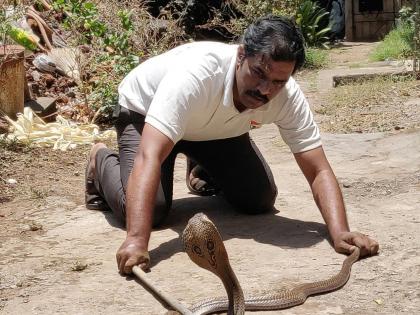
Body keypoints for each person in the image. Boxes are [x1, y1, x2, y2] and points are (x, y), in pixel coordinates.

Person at [85, 15, 379, 275]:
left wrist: (339, 231)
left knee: (258, 199)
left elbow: (318, 169)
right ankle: (101, 162)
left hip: (214, 127)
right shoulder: (197, 75)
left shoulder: (287, 94)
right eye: (259, 73)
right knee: (153, 211)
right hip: (144, 114)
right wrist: (137, 239)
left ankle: (201, 165)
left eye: (278, 81)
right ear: (240, 55)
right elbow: (149, 156)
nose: (265, 90)